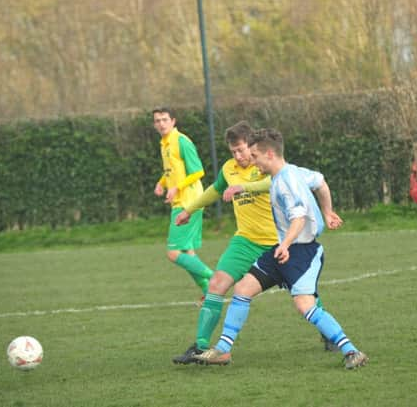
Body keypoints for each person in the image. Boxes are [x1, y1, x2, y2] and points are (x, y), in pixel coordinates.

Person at [194, 128, 369, 370]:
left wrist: (286, 244)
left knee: (305, 305)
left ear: (269, 154)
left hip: (302, 252)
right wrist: (327, 212)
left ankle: (351, 350)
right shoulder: (293, 171)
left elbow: (299, 218)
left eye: (255, 156)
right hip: (283, 249)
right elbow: (320, 182)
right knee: (243, 288)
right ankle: (223, 350)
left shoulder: (286, 183)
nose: (253, 162)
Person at [172, 122, 337, 364]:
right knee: (217, 283)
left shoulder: (266, 167)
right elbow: (215, 190)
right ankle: (201, 347)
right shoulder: (229, 169)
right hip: (245, 241)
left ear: (253, 147)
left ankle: (328, 333)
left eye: (241, 150)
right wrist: (190, 209)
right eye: (233, 152)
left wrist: (243, 187)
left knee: (302, 293)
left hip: (278, 242)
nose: (238, 156)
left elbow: (273, 182)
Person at [152, 106, 213, 297]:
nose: (161, 124)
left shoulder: (181, 141)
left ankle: (215, 278)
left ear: (173, 121)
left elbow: (198, 171)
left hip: (189, 202)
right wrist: (161, 183)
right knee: (187, 252)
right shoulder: (165, 143)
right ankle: (208, 292)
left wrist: (177, 188)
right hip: (180, 202)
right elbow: (172, 170)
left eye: (164, 119)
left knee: (173, 252)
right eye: (157, 121)